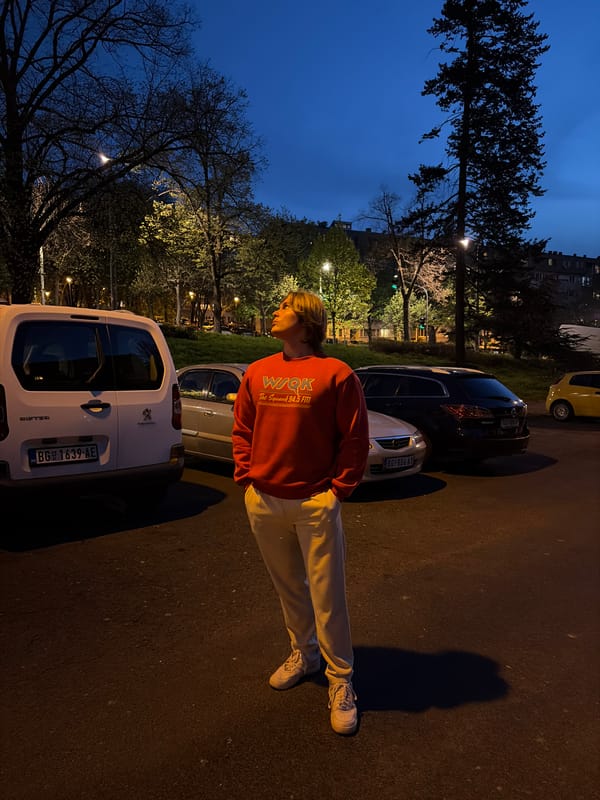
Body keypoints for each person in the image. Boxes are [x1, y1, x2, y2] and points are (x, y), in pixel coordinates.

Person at [231, 290, 369, 735]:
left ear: (306, 321)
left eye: (285, 307)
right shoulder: (258, 371)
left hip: (314, 502)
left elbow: (353, 439)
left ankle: (341, 679)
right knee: (290, 589)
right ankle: (305, 654)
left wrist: (337, 492)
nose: (276, 311)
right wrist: (246, 479)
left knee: (328, 597)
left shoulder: (336, 374)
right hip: (265, 499)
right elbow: (243, 429)